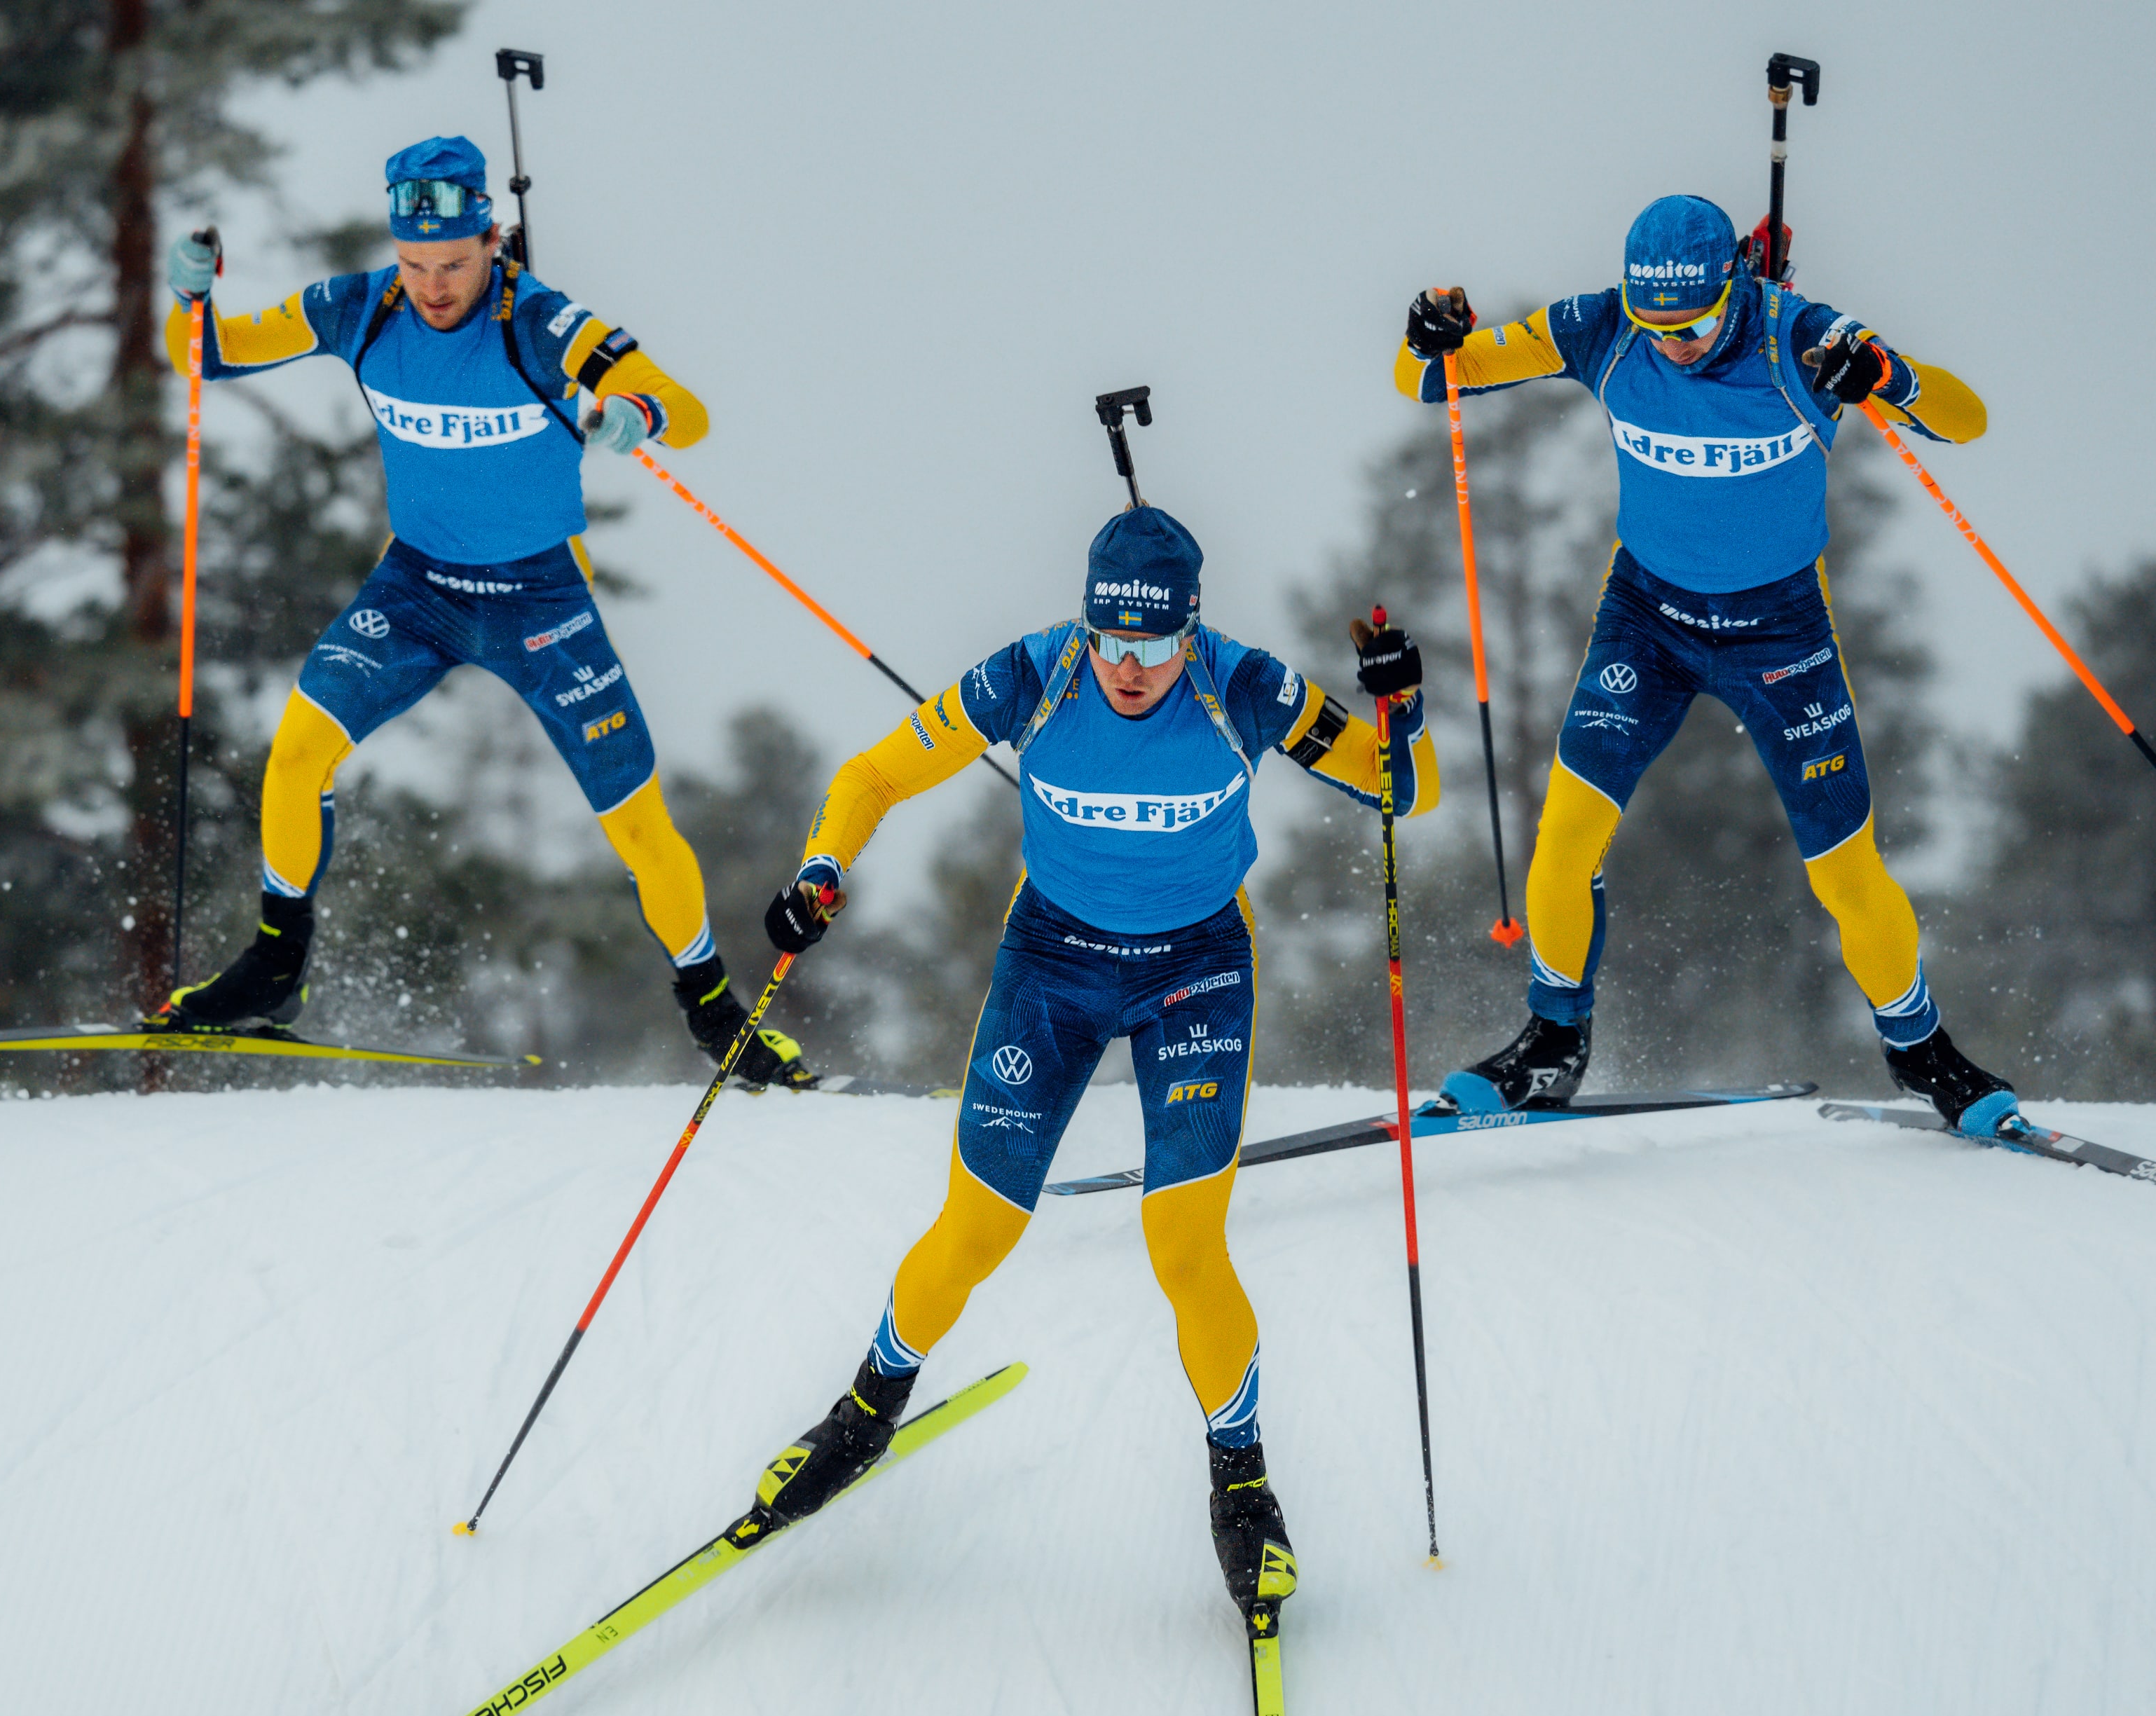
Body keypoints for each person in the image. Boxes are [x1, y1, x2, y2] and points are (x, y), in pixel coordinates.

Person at [743, 504, 1437, 1617]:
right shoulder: (1034, 675)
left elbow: (1405, 788)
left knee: (1185, 1244)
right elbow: (876, 777)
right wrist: (823, 869)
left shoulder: (1244, 686)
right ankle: (866, 1412)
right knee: (976, 1226)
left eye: (1155, 647)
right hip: (1053, 963)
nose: (1129, 669)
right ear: (1088, 623)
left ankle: (1241, 1482)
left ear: (1190, 629)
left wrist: (1404, 709)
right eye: (1113, 641)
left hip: (1198, 968)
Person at [149, 135, 814, 1086]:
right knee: (297, 750)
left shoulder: (537, 324)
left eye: (452, 265)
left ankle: (714, 1009)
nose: (431, 285)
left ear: (491, 241)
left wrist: (639, 416)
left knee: (636, 821)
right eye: (415, 263)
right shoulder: (362, 308)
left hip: (541, 601)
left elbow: (683, 404)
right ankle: (274, 962)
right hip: (417, 589)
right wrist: (188, 299)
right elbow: (207, 357)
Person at [1396, 194, 2019, 1133]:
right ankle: (1554, 1043)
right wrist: (1427, 334)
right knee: (1565, 838)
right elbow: (1435, 380)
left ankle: (1922, 1052)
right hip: (1647, 621)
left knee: (1845, 872)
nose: (1674, 344)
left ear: (1733, 283)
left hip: (1781, 635)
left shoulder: (1800, 339)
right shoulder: (1605, 325)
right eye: (1657, 327)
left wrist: (1887, 375)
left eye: (1690, 325)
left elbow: (1966, 419)